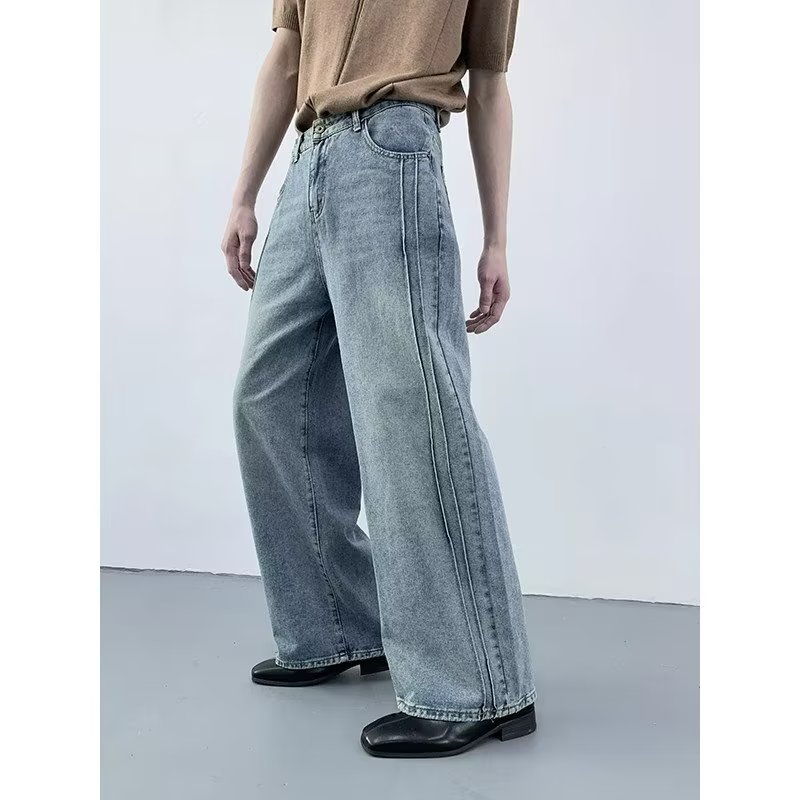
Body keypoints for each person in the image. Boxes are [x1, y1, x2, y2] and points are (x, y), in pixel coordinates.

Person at [222, 0, 536, 758]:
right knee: (269, 397)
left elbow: (490, 81)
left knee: (411, 408)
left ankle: (479, 687)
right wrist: (245, 194)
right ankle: (339, 625)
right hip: (310, 158)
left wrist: (497, 238)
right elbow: (287, 56)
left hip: (393, 148)